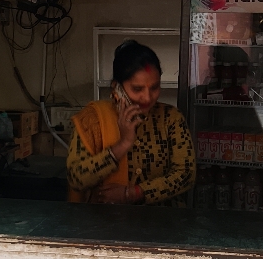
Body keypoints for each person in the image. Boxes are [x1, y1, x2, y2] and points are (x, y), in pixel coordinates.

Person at [67, 40, 196, 205]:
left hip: (162, 219)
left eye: (154, 87)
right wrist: (123, 144)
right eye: (137, 89)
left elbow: (186, 174)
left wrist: (134, 193)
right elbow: (76, 179)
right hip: (104, 219)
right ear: (117, 88)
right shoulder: (92, 120)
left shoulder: (171, 118)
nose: (147, 98)